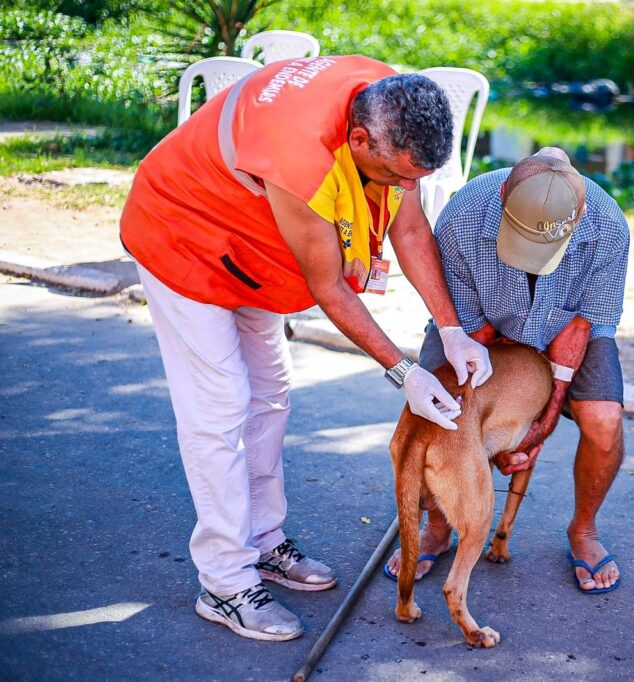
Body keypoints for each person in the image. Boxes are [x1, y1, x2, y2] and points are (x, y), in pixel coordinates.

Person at [120, 56, 493, 641]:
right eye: (397, 177)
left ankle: (265, 542)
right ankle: (224, 581)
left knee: (271, 394)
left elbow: (411, 228)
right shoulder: (299, 156)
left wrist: (451, 329)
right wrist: (404, 372)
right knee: (219, 409)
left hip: (253, 248)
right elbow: (329, 287)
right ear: (359, 138)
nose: (405, 189)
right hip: (184, 238)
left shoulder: (391, 102)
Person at [384, 147, 630, 593]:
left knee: (604, 419)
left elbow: (578, 329)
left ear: (581, 214)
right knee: (442, 412)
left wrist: (539, 424)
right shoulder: (463, 215)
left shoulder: (608, 227)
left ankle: (584, 531)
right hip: (474, 327)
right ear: (502, 195)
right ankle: (438, 529)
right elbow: (472, 333)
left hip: (566, 328)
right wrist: (495, 432)